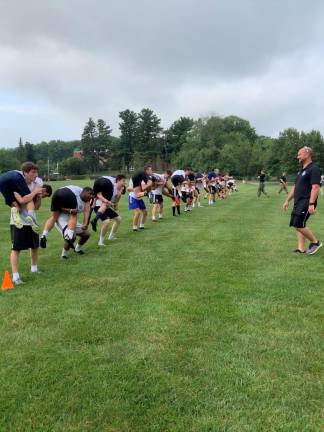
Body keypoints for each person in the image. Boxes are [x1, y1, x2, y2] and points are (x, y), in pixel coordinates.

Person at [9, 184, 52, 285]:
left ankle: (34, 269)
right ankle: (15, 277)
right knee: (16, 248)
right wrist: (35, 193)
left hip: (32, 223)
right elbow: (21, 200)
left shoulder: (36, 188)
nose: (44, 196)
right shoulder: (20, 185)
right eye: (45, 195)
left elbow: (36, 207)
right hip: (18, 222)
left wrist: (39, 198)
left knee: (34, 246)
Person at [283, 146, 322, 254]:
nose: (297, 156)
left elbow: (315, 187)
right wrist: (287, 200)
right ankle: (301, 248)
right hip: (298, 201)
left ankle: (315, 242)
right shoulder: (301, 171)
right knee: (297, 224)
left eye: (299, 154)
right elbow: (295, 187)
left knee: (298, 223)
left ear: (307, 153)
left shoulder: (314, 169)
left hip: (306, 201)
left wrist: (311, 204)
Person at [42, 186, 93, 257]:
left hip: (71, 218)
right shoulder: (75, 194)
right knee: (72, 237)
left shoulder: (87, 201)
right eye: (89, 194)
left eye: (92, 195)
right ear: (83, 192)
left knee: (86, 234)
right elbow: (59, 208)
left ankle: (77, 249)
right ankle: (64, 255)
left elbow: (87, 212)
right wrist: (70, 210)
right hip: (61, 217)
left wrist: (85, 224)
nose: (91, 196)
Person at [0, 162, 43, 232]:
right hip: (13, 178)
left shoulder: (35, 181)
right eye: (33, 172)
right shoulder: (19, 177)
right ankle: (31, 215)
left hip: (1, 181)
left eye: (36, 172)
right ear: (25, 173)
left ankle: (15, 210)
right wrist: (35, 192)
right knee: (29, 199)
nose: (36, 175)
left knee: (17, 207)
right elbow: (24, 200)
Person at [91, 174, 126, 246]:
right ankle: (100, 241)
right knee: (106, 221)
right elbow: (98, 194)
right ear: (118, 181)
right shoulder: (111, 186)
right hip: (98, 205)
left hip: (106, 207)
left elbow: (115, 206)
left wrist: (119, 194)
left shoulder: (117, 192)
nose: (124, 183)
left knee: (118, 219)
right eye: (123, 181)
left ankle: (111, 237)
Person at [128, 165, 153, 231]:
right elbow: (128, 189)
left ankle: (142, 226)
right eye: (150, 170)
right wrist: (144, 189)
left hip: (139, 197)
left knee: (145, 212)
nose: (151, 171)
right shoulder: (137, 179)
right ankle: (134, 227)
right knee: (138, 212)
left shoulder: (144, 178)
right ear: (146, 170)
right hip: (133, 197)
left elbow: (147, 186)